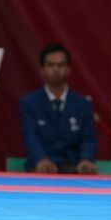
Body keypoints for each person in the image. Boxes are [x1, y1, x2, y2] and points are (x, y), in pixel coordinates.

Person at [20, 44, 99, 173]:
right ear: (42, 70)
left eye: (61, 65)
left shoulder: (83, 104)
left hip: (73, 167)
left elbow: (88, 139)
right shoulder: (30, 102)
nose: (56, 69)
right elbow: (30, 136)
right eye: (50, 65)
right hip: (41, 167)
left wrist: (86, 159)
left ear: (69, 69)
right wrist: (41, 159)